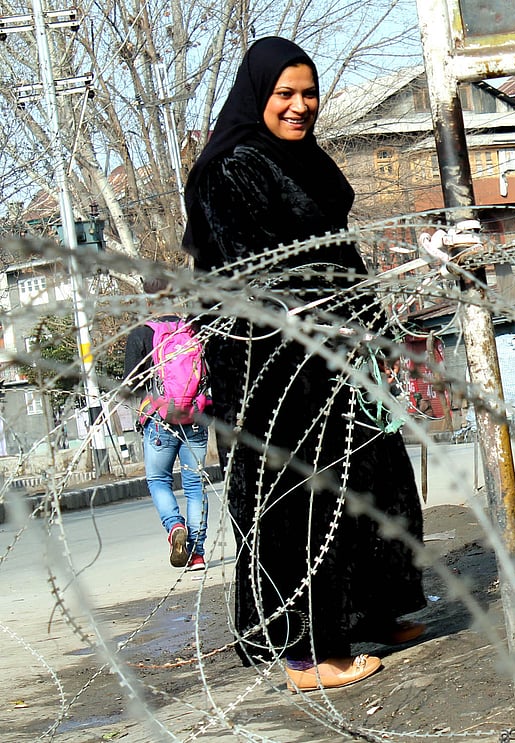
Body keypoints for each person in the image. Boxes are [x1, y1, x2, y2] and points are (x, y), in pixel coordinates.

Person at [182, 36, 426, 693]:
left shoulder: (305, 161)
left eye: (308, 93)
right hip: (270, 363)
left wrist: (374, 331)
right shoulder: (230, 168)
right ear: (257, 95)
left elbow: (337, 258)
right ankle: (307, 653)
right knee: (301, 497)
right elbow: (251, 269)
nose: (299, 106)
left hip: (334, 349)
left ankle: (373, 610)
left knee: (373, 472)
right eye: (284, 94)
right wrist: (315, 316)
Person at [124, 276, 210, 571]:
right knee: (195, 485)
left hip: (159, 421)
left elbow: (131, 384)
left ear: (148, 301)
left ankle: (175, 527)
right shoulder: (194, 330)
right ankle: (197, 554)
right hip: (194, 418)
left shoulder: (142, 334)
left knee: (158, 480)